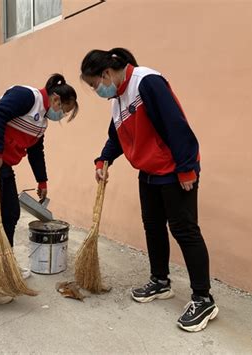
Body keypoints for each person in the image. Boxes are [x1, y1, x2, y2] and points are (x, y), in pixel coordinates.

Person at [80, 48, 218, 332]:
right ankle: (160, 281)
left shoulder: (146, 82)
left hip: (174, 169)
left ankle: (203, 299)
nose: (98, 91)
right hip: (150, 172)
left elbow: (175, 124)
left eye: (95, 85)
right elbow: (116, 137)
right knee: (153, 226)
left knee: (184, 230)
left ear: (106, 74)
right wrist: (102, 159)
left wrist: (187, 167)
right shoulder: (118, 99)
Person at [0, 73, 78, 302]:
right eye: (64, 109)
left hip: (3, 164)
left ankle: (3, 267)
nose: (62, 115)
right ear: (55, 99)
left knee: (11, 214)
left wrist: (42, 181)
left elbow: (36, 152)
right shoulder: (27, 96)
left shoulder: (42, 122)